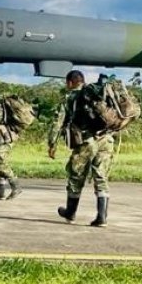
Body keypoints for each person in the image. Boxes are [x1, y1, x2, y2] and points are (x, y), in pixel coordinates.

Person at [48, 69, 113, 227]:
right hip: (106, 139)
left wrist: (51, 144)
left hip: (86, 141)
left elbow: (58, 123)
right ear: (82, 80)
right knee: (101, 176)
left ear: (70, 82)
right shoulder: (99, 93)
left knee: (76, 176)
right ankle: (102, 217)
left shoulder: (70, 97)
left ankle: (70, 213)